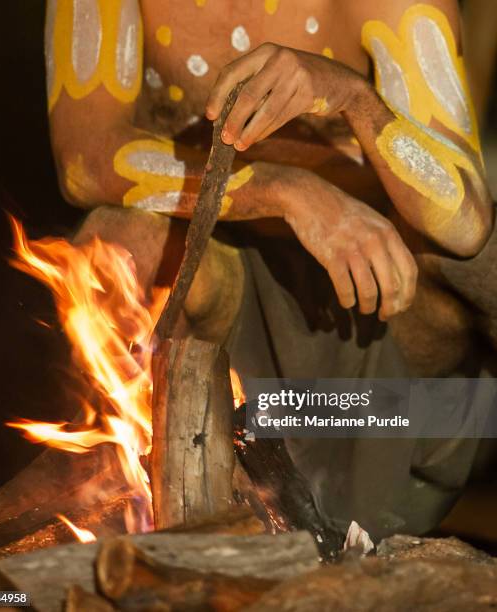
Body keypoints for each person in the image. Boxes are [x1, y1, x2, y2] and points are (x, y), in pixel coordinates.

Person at [45, 0, 495, 540]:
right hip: (226, 331)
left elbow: (467, 221)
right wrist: (285, 190)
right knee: (118, 244)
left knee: (486, 265)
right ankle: (166, 512)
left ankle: (407, 478)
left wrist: (351, 95)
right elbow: (84, 163)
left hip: (380, 375)